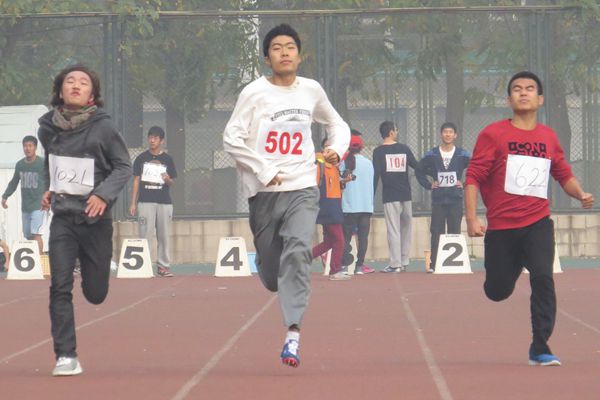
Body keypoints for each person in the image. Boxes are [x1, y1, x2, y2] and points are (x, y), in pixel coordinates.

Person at [223, 23, 350, 368]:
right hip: (264, 192)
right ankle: (269, 268)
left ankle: (293, 333)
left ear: (299, 55)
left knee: (298, 248)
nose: (284, 53)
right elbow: (231, 138)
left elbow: (337, 123)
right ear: (268, 58)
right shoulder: (254, 93)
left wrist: (337, 148)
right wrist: (263, 169)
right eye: (276, 48)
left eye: (290, 47)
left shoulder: (311, 90)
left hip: (303, 186)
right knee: (271, 277)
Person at [465, 71, 594, 366]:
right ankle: (508, 269)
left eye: (530, 88)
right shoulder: (493, 134)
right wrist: (471, 218)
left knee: (543, 278)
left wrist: (580, 193)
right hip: (502, 227)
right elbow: (473, 177)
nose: (523, 93)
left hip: (537, 223)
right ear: (509, 99)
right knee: (497, 291)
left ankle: (540, 346)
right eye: (517, 89)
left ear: (540, 99)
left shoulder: (548, 136)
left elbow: (563, 173)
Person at [38, 64, 132, 376]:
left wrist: (103, 195)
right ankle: (66, 356)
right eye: (70, 81)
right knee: (59, 286)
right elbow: (51, 165)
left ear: (92, 93)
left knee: (95, 293)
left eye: (83, 82)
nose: (76, 85)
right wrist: (49, 188)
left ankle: (95, 273)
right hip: (64, 218)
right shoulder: (47, 128)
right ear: (60, 90)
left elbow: (123, 166)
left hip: (95, 219)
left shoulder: (104, 127)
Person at [416, 122, 470, 272]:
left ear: (455, 135)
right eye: (445, 132)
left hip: (455, 199)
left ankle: (453, 265)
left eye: (451, 132)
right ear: (441, 134)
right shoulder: (432, 154)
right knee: (436, 231)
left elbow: (475, 167)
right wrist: (429, 185)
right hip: (438, 200)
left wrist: (464, 183)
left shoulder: (462, 154)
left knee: (454, 230)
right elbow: (419, 170)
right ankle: (434, 264)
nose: (448, 134)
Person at [129, 126, 177, 277]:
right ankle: (144, 265)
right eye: (150, 137)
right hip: (145, 201)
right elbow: (136, 180)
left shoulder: (168, 159)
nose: (152, 140)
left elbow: (172, 182)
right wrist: (133, 203)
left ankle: (163, 266)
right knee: (145, 234)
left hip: (164, 202)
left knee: (163, 235)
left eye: (155, 138)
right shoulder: (141, 158)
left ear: (162, 141)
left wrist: (167, 179)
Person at [373, 121, 419, 273]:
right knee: (406, 228)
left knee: (393, 229)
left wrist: (371, 195)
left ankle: (395, 264)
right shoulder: (404, 148)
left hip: (390, 195)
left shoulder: (378, 152)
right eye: (396, 130)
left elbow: (376, 174)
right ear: (391, 132)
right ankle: (404, 260)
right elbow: (416, 166)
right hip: (406, 194)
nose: (397, 132)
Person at [2, 135, 48, 254]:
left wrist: (49, 198)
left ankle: (40, 260)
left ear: (35, 147)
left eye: (30, 146)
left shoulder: (42, 163)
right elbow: (14, 182)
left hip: (40, 205)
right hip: (26, 206)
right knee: (28, 235)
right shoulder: (20, 165)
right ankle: (34, 259)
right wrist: (5, 196)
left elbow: (51, 181)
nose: (27, 148)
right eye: (25, 146)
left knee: (36, 234)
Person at [312, 138, 350, 281]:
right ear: (324, 148)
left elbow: (332, 186)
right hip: (327, 206)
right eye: (329, 146)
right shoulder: (319, 163)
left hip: (334, 205)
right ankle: (335, 270)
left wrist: (343, 182)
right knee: (339, 240)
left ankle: (301, 259)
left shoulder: (333, 166)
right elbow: (316, 185)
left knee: (329, 241)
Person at [340, 130, 375, 274]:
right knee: (363, 237)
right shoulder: (368, 163)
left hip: (349, 206)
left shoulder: (343, 163)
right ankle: (359, 266)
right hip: (366, 206)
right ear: (362, 147)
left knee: (345, 237)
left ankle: (343, 266)